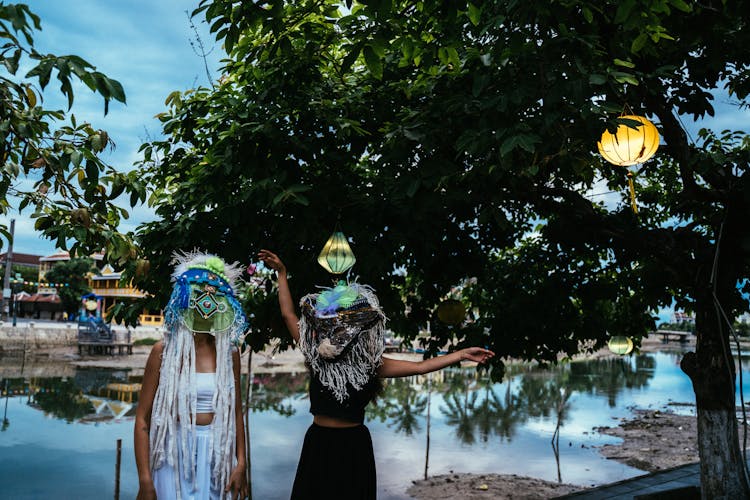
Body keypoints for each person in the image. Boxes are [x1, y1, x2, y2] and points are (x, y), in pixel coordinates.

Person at [257, 249, 494, 500]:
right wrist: (282, 273)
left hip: (353, 448)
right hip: (318, 444)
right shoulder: (317, 356)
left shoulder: (370, 364)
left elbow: (419, 367)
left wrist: (460, 354)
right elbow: (288, 315)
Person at [134, 252, 250, 500]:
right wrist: (145, 480)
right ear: (185, 299)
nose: (205, 304)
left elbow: (236, 411)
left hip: (218, 454)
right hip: (172, 455)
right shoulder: (164, 352)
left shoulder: (229, 353)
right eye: (198, 296)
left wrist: (241, 463)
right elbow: (142, 420)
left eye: (214, 297)